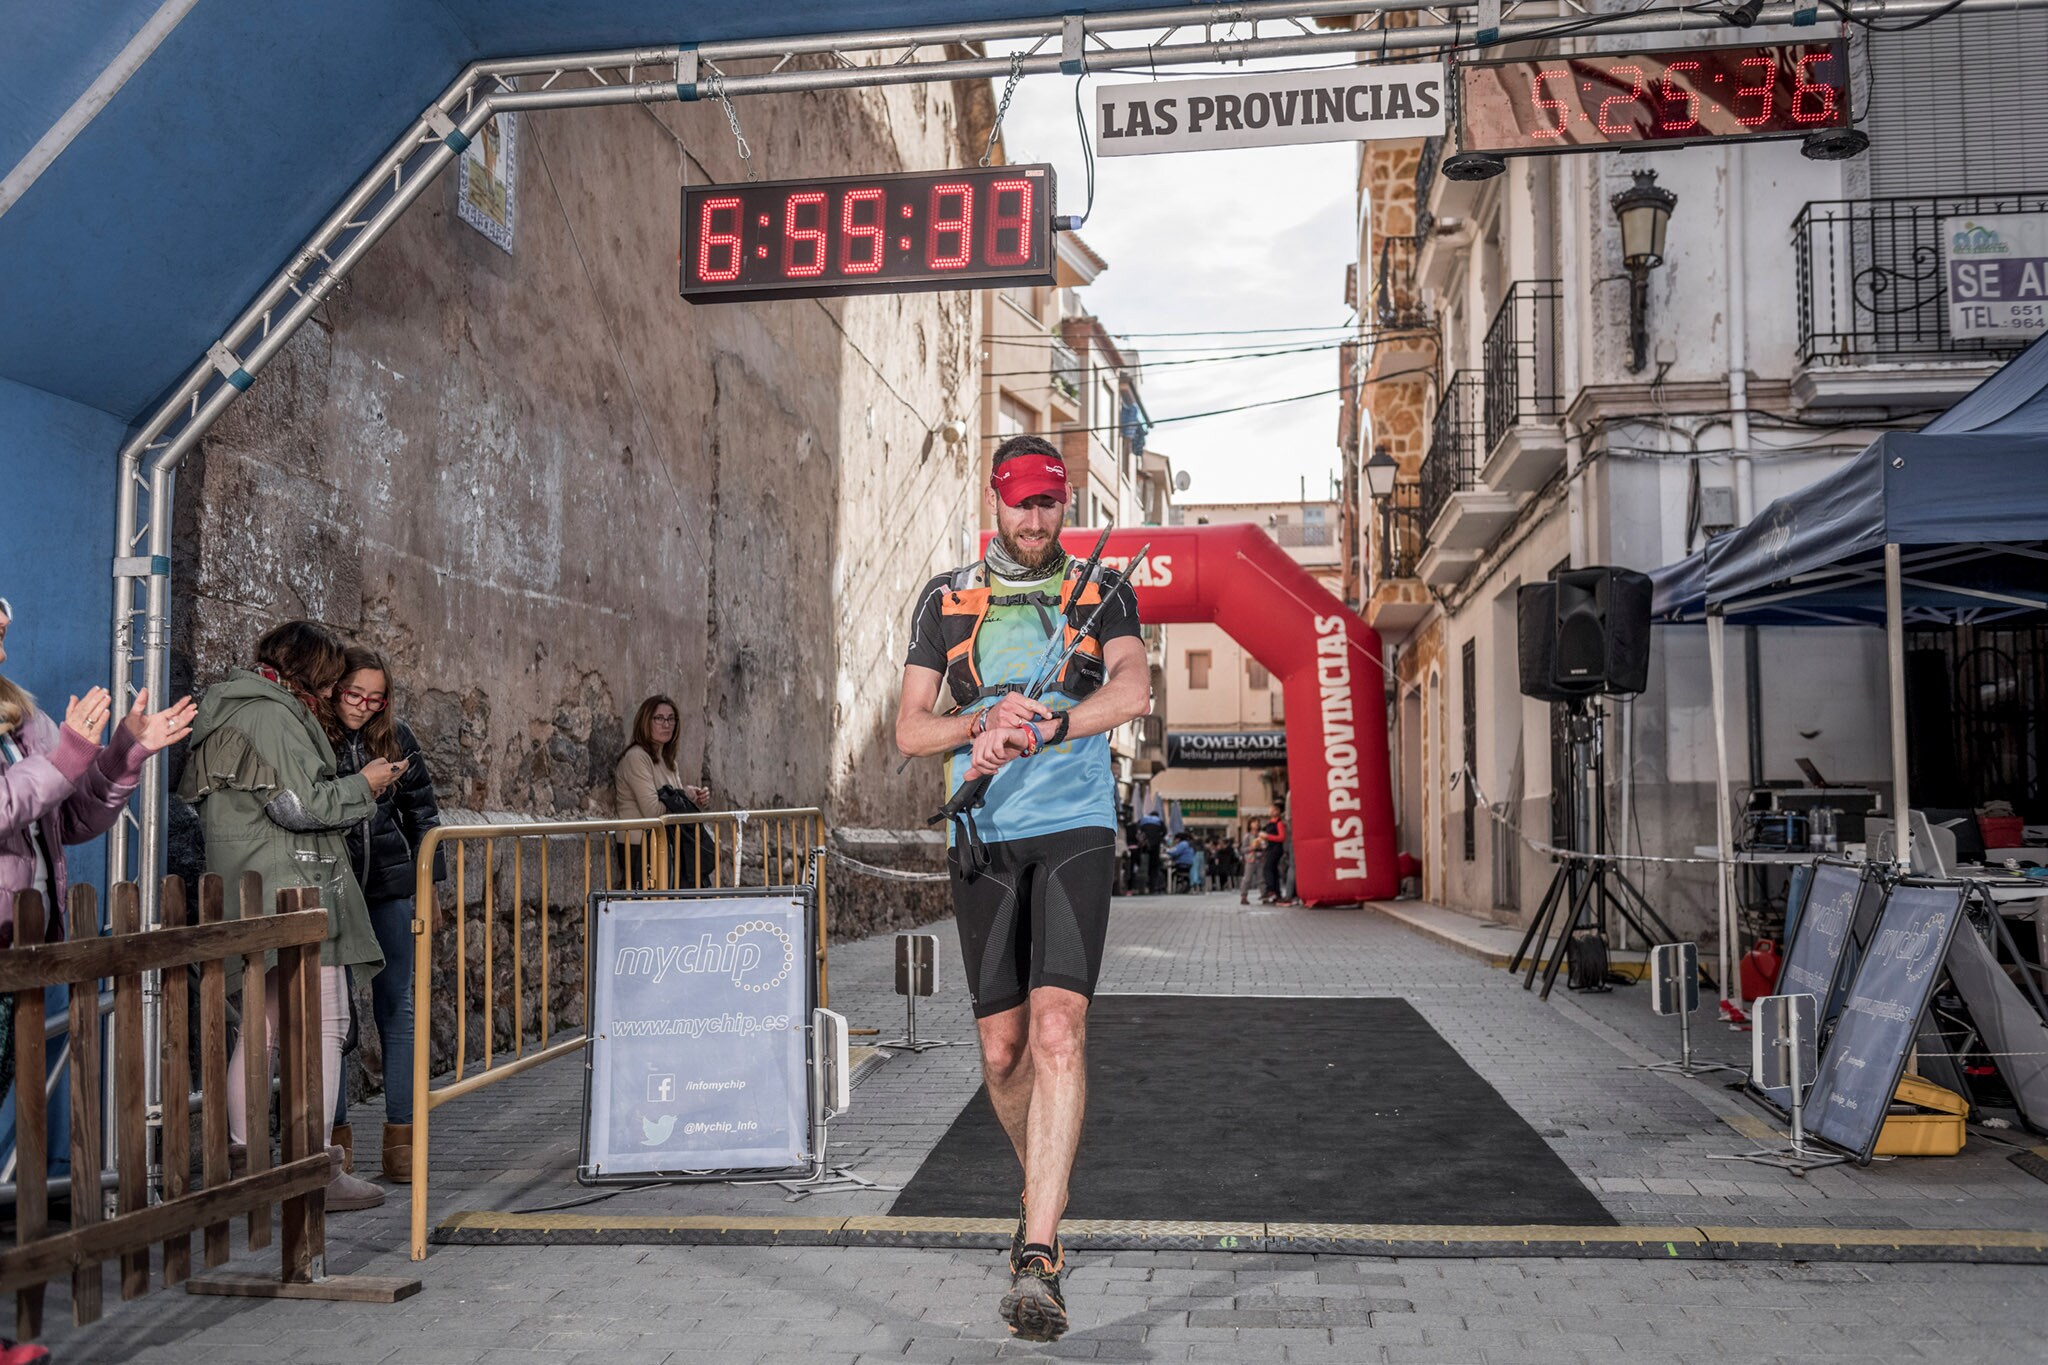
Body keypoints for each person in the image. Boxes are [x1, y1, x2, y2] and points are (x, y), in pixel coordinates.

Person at [895, 435, 1150, 1341]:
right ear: (995, 502)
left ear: (1065, 504)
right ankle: (1041, 1182)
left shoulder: (1100, 591)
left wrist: (1051, 726)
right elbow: (910, 730)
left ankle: (1038, 1253)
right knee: (1001, 1053)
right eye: (1021, 502)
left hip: (1076, 829)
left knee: (1054, 1031)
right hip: (985, 837)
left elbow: (1133, 691)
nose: (1036, 519)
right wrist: (982, 721)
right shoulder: (947, 596)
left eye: (1050, 502)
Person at [0, 596, 193, 1365]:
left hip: (17, 960)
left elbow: (67, 817)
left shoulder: (21, 720)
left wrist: (117, 756)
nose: (4, 632)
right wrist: (70, 754)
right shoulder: (39, 738)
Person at [177, 620, 402, 1213]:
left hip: (258, 886)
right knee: (323, 1024)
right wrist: (366, 783)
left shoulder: (239, 705)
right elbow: (299, 806)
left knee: (263, 1030)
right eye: (330, 680)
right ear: (309, 672)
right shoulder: (271, 714)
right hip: (292, 886)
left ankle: (247, 1170)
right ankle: (313, 1169)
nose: (333, 692)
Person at [328, 646, 444, 1183]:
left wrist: (431, 889)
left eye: (376, 698)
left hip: (392, 889)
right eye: (355, 695)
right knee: (334, 1017)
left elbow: (424, 816)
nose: (365, 707)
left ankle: (402, 1144)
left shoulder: (399, 739)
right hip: (334, 889)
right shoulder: (316, 735)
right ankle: (335, 1146)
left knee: (397, 1005)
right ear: (334, 687)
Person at [613, 695, 711, 885]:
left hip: (667, 848)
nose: (666, 724)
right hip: (641, 848)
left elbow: (673, 803)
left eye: (671, 718)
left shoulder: (669, 762)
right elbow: (653, 812)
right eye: (659, 718)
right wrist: (683, 797)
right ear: (645, 721)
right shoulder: (637, 758)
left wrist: (694, 800)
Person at [1258, 800, 1289, 905]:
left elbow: (1282, 837)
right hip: (1270, 848)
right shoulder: (1269, 823)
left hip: (1276, 849)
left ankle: (1270, 890)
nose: (1270, 810)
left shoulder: (1279, 823)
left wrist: (1268, 836)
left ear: (1277, 811)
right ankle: (1277, 894)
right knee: (1273, 870)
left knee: (1267, 868)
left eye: (1272, 809)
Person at [1135, 809, 1165, 894]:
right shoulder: (1159, 821)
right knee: (1154, 867)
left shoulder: (1143, 819)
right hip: (1155, 846)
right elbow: (1164, 832)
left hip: (1144, 846)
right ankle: (1152, 888)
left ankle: (1141, 887)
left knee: (1143, 865)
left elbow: (1137, 830)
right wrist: (1159, 838)